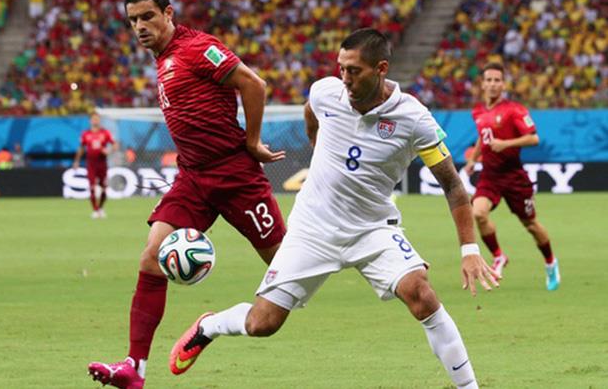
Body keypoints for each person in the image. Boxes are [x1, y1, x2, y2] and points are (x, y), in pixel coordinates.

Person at [170, 29, 499, 389]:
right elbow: (312, 110)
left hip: (372, 229)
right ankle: (209, 326)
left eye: (354, 71)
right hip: (313, 229)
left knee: (421, 294)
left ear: (381, 69)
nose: (345, 78)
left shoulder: (413, 118)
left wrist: (469, 249)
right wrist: (316, 141)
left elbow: (452, 185)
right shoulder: (326, 92)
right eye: (341, 68)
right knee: (262, 324)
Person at [87, 0, 287, 389]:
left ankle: (213, 325)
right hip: (193, 177)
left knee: (287, 268)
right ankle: (134, 368)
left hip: (235, 176)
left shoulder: (198, 48)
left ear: (168, 13)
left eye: (147, 16)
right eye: (133, 20)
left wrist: (252, 142)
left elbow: (254, 84)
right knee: (151, 258)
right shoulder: (163, 60)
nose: (140, 26)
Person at [463, 62, 560, 291]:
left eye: (497, 80)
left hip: (514, 176)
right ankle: (499, 256)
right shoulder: (478, 112)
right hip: (490, 175)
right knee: (478, 213)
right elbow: (483, 137)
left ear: (504, 85)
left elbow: (534, 138)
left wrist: (505, 144)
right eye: (489, 80)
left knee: (531, 224)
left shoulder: (515, 110)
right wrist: (473, 159)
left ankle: (550, 262)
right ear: (482, 84)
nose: (493, 84)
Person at [73, 112, 116, 219]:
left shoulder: (105, 133)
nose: (95, 121)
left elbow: (115, 144)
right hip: (91, 164)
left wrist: (108, 150)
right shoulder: (85, 134)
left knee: (104, 188)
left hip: (102, 164)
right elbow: (81, 148)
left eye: (97, 119)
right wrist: (76, 161)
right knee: (92, 187)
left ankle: (100, 208)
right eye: (93, 119)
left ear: (99, 120)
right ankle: (95, 210)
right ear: (90, 121)